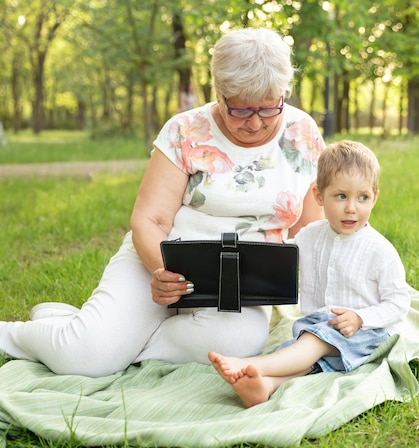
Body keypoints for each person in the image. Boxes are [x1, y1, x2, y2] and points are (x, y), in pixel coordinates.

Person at [0, 27, 325, 377]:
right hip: (158, 261)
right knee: (84, 359)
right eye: (241, 110)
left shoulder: (302, 134)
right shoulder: (185, 130)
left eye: (268, 108)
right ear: (219, 92)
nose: (256, 123)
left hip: (241, 286)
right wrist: (161, 272)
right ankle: (24, 336)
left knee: (237, 344)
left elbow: (309, 229)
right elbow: (148, 220)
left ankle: (105, 339)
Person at [209, 140, 411, 408]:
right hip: (322, 327)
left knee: (312, 343)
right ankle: (266, 385)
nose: (352, 207)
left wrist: (361, 317)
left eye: (362, 197)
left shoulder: (379, 251)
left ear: (374, 197)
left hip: (368, 333)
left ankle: (249, 364)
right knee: (303, 350)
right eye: (341, 196)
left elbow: (398, 303)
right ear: (318, 196)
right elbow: (279, 260)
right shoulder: (310, 236)